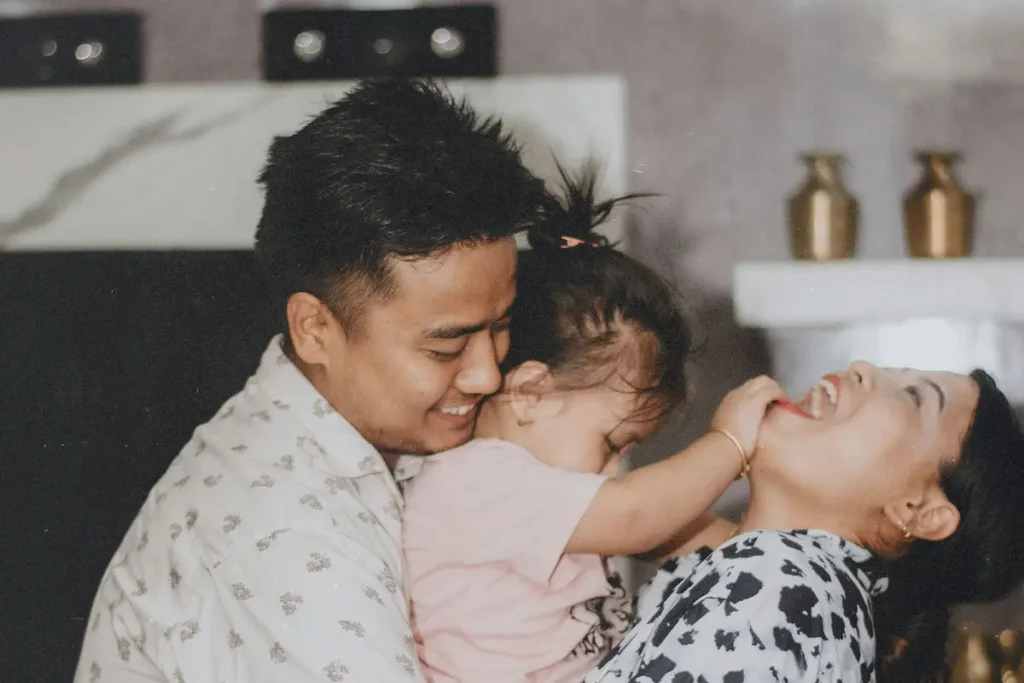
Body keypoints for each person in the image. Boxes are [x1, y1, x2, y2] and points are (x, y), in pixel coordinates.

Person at [74, 79, 550, 683]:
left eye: (501, 326)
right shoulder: (286, 541)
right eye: (446, 345)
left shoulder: (355, 436)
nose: (486, 374)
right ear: (315, 328)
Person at [401, 169, 785, 683]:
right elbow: (638, 516)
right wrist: (730, 444)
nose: (612, 471)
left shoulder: (541, 493)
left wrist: (776, 551)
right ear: (532, 393)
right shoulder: (476, 480)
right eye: (610, 443)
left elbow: (670, 529)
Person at [586, 364, 1024, 683]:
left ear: (917, 512)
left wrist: (726, 445)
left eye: (913, 398)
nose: (863, 369)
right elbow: (638, 521)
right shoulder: (811, 590)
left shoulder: (774, 582)